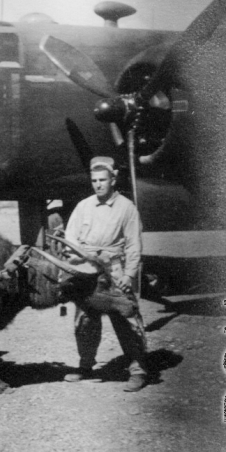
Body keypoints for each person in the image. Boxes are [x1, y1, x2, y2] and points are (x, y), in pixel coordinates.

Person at [63, 156, 148, 392]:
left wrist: (129, 276)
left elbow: (133, 246)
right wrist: (78, 259)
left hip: (115, 270)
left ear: (113, 179)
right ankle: (86, 366)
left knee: (127, 320)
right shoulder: (83, 206)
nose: (98, 184)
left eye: (103, 179)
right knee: (85, 320)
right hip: (87, 272)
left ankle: (138, 370)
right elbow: (70, 238)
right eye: (94, 180)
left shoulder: (126, 208)